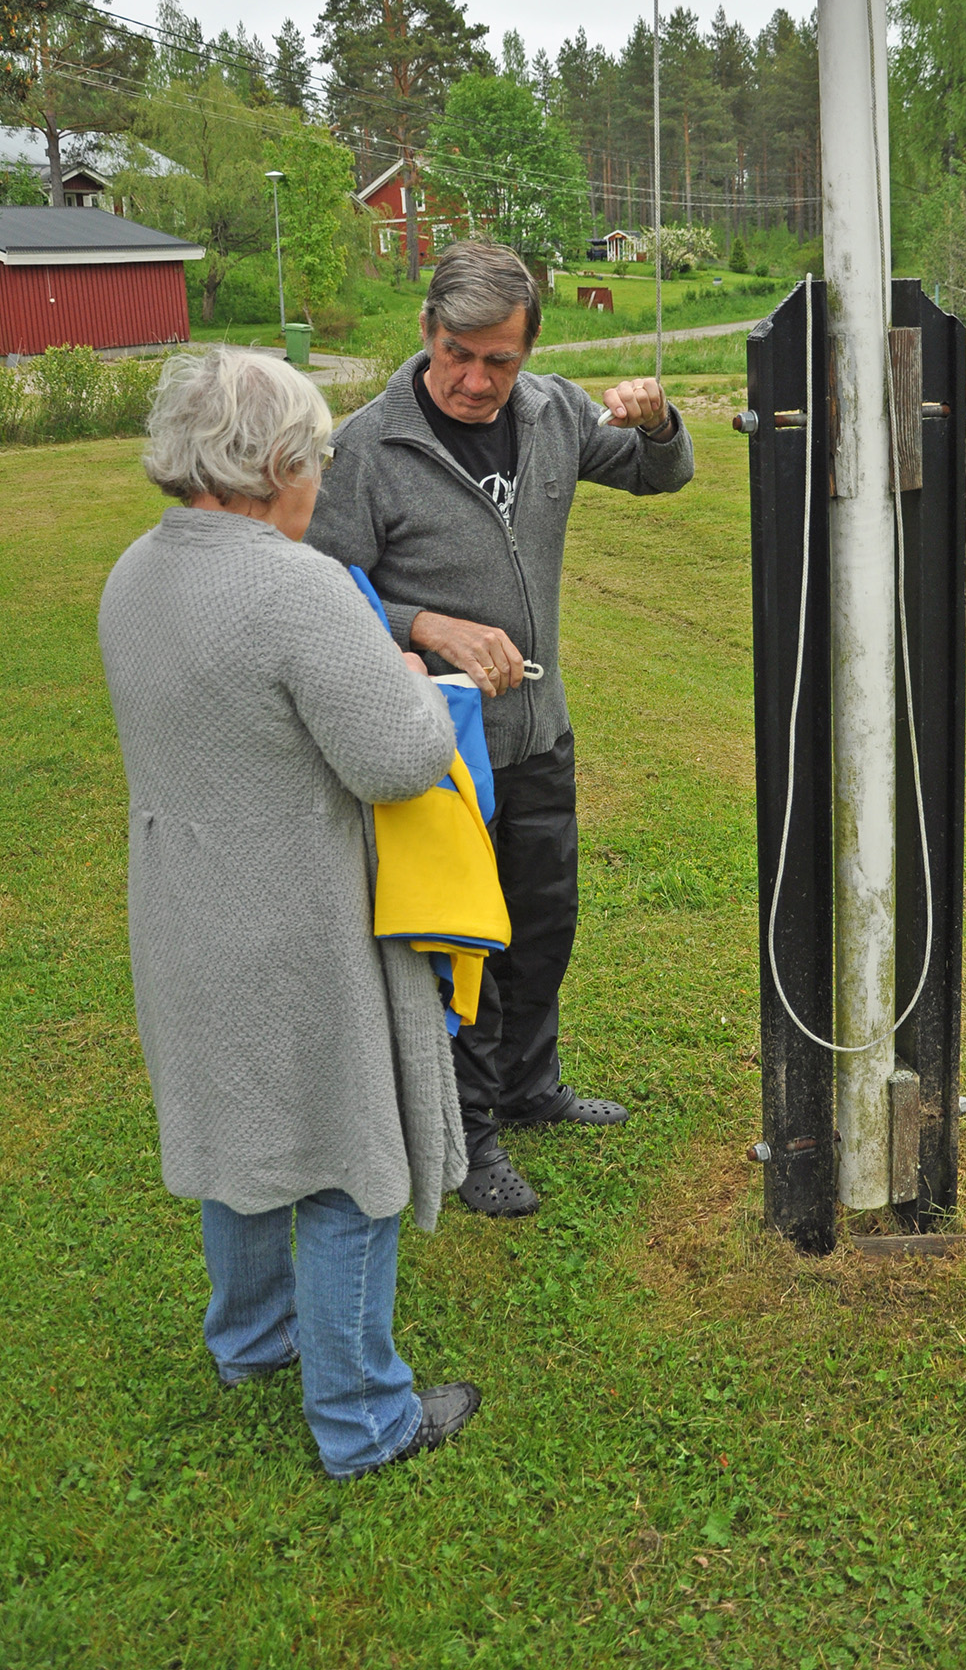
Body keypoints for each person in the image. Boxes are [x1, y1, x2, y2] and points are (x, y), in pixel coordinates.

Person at [98, 346, 482, 1480]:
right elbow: (395, 757)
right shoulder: (291, 582)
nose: (320, 476)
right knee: (342, 1150)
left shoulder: (135, 569)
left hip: (183, 905)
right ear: (273, 463)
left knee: (240, 1130)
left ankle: (250, 1341)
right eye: (314, 456)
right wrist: (417, 688)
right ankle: (364, 1415)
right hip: (291, 918)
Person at [307, 239, 694, 1216]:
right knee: (466, 944)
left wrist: (658, 425)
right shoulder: (368, 447)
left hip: (538, 733)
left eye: (500, 360)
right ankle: (468, 1136)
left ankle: (528, 1087)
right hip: (436, 751)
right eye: (458, 353)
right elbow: (317, 596)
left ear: (527, 352)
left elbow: (660, 475)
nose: (476, 380)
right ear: (427, 333)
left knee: (543, 922)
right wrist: (422, 624)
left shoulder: (554, 411)